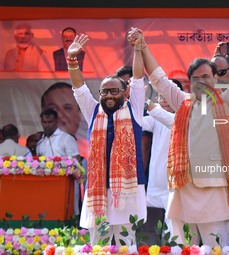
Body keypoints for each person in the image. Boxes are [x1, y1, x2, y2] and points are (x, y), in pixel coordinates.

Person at [127, 15, 229, 247]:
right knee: (183, 249)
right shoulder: (182, 102)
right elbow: (158, 79)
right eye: (196, 78)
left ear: (215, 78)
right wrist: (142, 48)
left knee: (216, 249)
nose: (202, 81)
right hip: (182, 191)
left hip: (213, 191)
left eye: (206, 76)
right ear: (190, 81)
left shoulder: (227, 101)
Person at [67, 33, 146, 246]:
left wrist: (138, 49)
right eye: (104, 92)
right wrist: (72, 61)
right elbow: (79, 89)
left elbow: (138, 80)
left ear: (125, 93)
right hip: (98, 193)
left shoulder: (134, 109)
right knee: (98, 246)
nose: (109, 96)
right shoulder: (93, 111)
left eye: (114, 91)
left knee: (125, 245)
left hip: (127, 193)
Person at [142, 79, 183, 239]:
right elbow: (136, 122)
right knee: (149, 231)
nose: (163, 100)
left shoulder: (184, 117)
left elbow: (157, 112)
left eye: (167, 96)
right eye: (160, 96)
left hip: (174, 186)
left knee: (174, 233)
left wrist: (144, 100)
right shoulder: (155, 118)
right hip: (155, 183)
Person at [36, 108, 81, 216]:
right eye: (44, 122)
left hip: (65, 185)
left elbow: (75, 160)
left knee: (67, 214)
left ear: (57, 122)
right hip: (46, 186)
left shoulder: (66, 138)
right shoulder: (41, 141)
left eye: (50, 122)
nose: (47, 125)